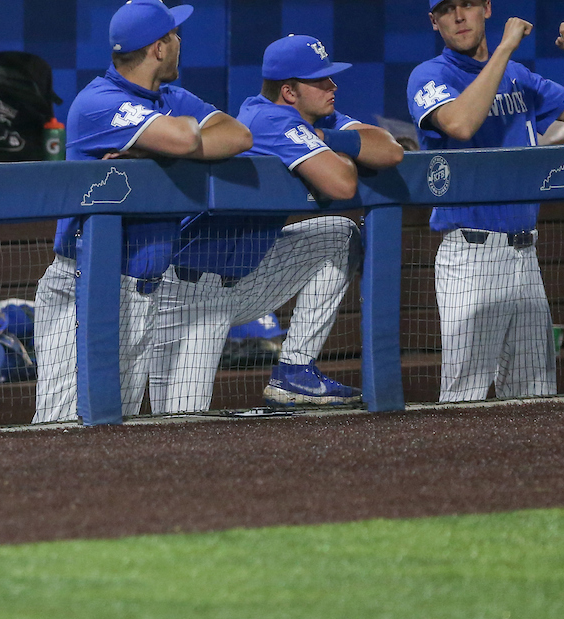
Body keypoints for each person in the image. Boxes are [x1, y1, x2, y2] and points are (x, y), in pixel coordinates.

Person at [151, 35, 404, 413]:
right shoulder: (268, 118)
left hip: (247, 277)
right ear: (289, 91)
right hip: (186, 290)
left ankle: (295, 370)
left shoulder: (317, 119)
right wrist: (336, 147)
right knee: (178, 420)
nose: (333, 86)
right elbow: (342, 181)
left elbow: (391, 149)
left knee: (338, 233)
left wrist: (325, 137)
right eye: (320, 80)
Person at [32, 0, 253, 424]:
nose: (179, 42)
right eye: (174, 35)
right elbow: (186, 140)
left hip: (143, 290)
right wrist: (175, 144)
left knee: (116, 429)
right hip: (85, 288)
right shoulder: (98, 101)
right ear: (158, 47)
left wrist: (151, 153)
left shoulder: (171, 96)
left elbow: (239, 136)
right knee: (61, 429)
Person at [407, 0, 564, 402]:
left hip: (524, 255)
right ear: (433, 22)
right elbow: (460, 123)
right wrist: (506, 47)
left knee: (535, 396)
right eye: (447, 10)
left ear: (486, 9)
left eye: (468, 5)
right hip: (469, 255)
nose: (459, 16)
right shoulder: (428, 75)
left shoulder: (518, 75)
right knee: (465, 398)